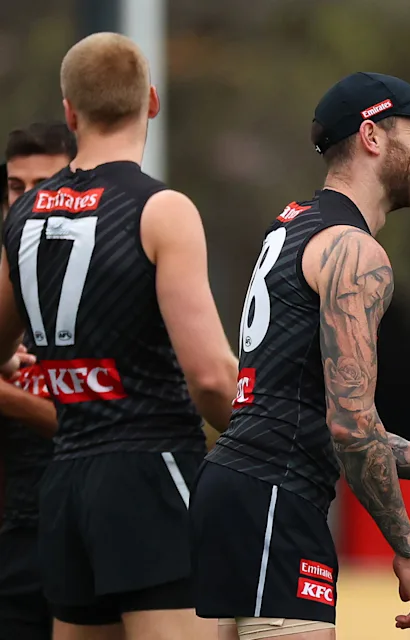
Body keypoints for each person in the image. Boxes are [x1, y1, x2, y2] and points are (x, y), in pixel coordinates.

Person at [190, 71, 410, 640]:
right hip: (274, 498)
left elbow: (329, 423)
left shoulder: (296, 224)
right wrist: (408, 550)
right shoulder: (355, 252)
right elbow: (353, 429)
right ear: (372, 136)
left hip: (242, 490)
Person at [0, 32, 239, 639]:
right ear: (151, 101)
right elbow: (212, 378)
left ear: (69, 112)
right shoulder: (162, 209)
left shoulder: (22, 215)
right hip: (150, 470)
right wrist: (268, 439)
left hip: (66, 484)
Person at [0, 121, 75, 640]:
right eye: (15, 187)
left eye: (42, 186)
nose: (26, 202)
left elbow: (98, 423)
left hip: (91, 522)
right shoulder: (8, 282)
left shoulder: (109, 277)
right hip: (16, 534)